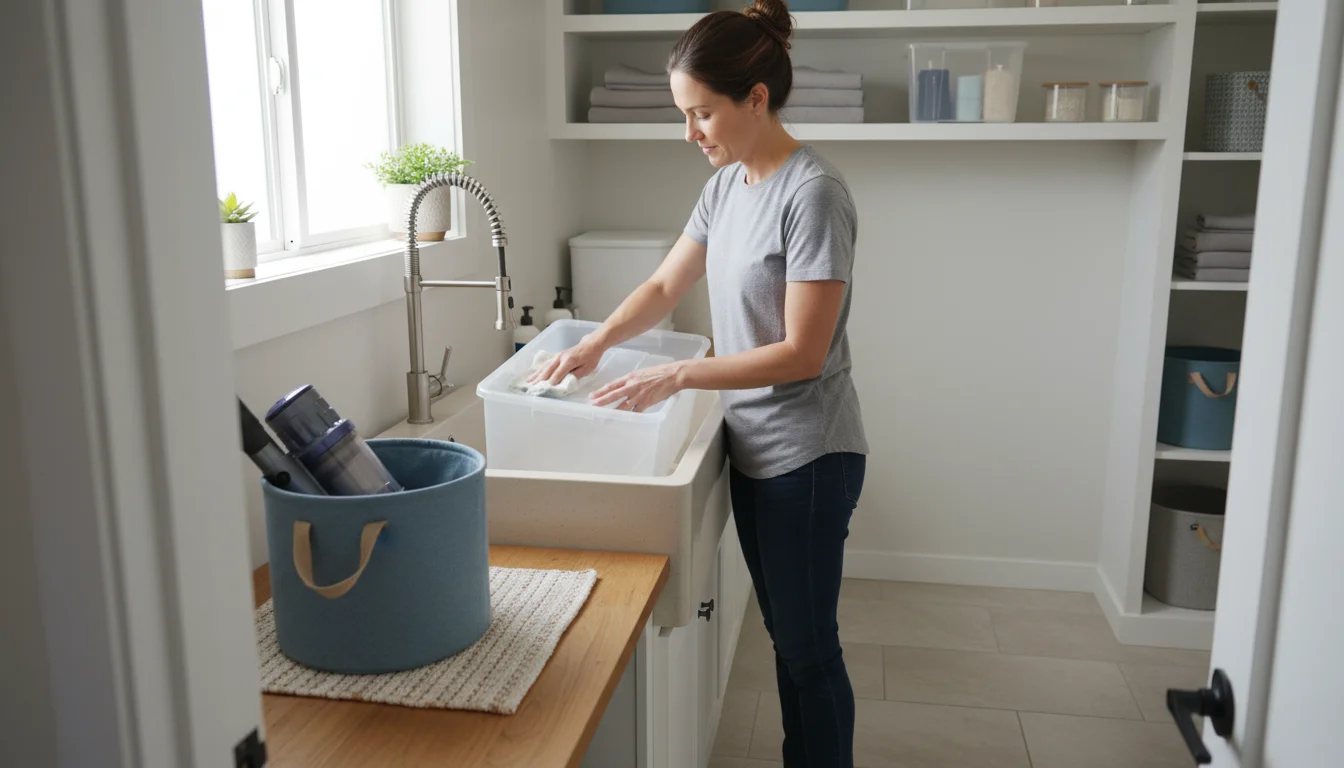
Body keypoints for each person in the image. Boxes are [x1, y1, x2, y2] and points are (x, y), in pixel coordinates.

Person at [533, 1, 867, 764]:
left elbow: (802, 354)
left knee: (809, 651)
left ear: (756, 98)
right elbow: (662, 285)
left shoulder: (812, 193)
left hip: (810, 458)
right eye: (683, 115)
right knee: (789, 643)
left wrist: (679, 373)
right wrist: (598, 341)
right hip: (755, 449)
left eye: (702, 114)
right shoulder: (727, 188)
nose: (691, 135)